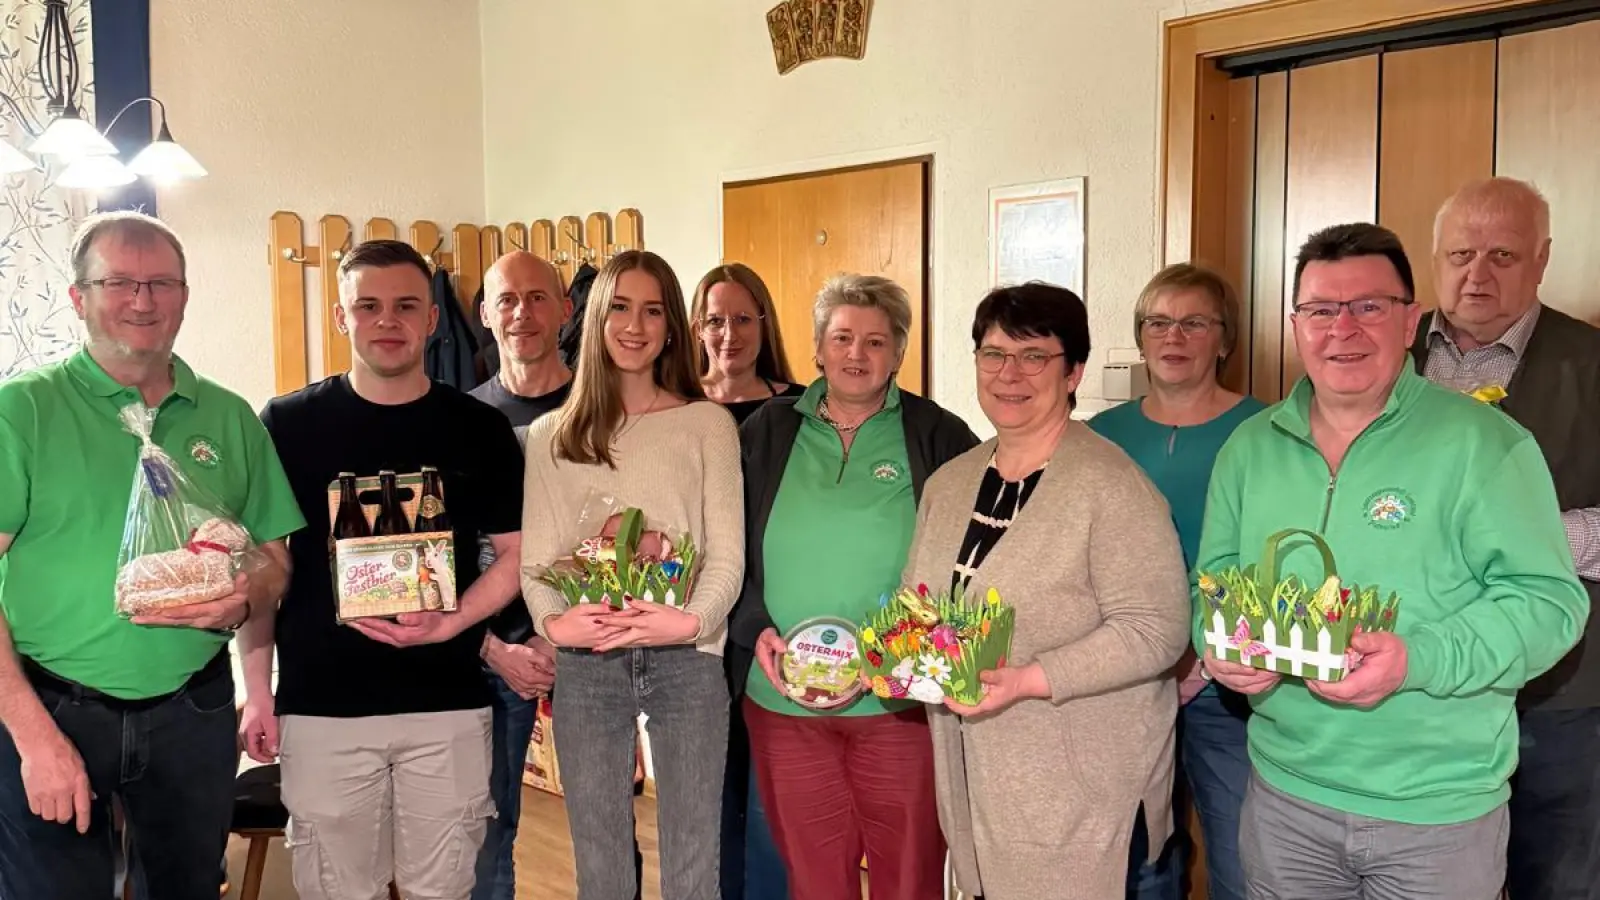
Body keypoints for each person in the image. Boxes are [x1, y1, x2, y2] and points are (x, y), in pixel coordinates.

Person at [1197, 222, 1589, 898]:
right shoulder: (1248, 447)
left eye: (1368, 306)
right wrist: (1216, 642)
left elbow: (1549, 604)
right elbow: (1212, 583)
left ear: (1411, 322)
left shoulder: (1486, 445)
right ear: (1297, 326)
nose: (1342, 328)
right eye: (1321, 309)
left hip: (1438, 814)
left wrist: (1417, 660)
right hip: (1284, 799)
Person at [0, 211, 303, 899]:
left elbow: (273, 562)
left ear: (185, 295)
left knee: (191, 887)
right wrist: (33, 738)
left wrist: (245, 594)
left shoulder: (227, 416)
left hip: (190, 713)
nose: (143, 300)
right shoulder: (23, 411)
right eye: (120, 282)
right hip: (55, 708)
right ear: (79, 298)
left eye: (161, 282)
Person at [244, 239, 526, 900]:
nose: (388, 321)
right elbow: (262, 574)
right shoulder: (287, 423)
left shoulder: (480, 428)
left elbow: (516, 558)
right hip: (322, 708)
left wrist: (448, 623)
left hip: (446, 705)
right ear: (343, 318)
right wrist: (258, 689)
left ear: (433, 319)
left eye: (406, 305)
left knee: (445, 891)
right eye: (368, 306)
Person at [903, 281, 1192, 900]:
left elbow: (1156, 629)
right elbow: (923, 610)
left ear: (1074, 372)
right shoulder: (950, 484)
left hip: (1087, 797)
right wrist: (882, 664)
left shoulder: (1112, 486)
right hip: (980, 788)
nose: (1010, 373)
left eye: (1034, 356)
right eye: (993, 354)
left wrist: (1031, 678)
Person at [735, 274, 978, 900]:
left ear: (898, 353)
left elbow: (978, 556)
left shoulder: (939, 435)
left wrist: (927, 648)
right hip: (785, 699)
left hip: (898, 704)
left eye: (876, 341)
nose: (856, 354)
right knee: (814, 878)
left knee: (910, 876)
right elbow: (726, 546)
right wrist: (753, 624)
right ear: (818, 347)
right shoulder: (766, 430)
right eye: (841, 337)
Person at [519, 250, 744, 900]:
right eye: (619, 306)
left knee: (693, 865)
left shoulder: (707, 425)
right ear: (594, 317)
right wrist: (555, 621)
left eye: (652, 310)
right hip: (588, 665)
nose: (635, 325)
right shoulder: (550, 435)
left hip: (689, 663)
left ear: (672, 325)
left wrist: (693, 620)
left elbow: (726, 556)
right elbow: (538, 566)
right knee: (602, 867)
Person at [1415, 177, 1600, 900]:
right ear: (1435, 257)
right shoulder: (1382, 360)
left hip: (1558, 695)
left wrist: (1532, 539)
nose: (1477, 274)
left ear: (1543, 259)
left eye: (1503, 254)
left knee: (1556, 882)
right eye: (1461, 253)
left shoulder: (1592, 363)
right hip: (1411, 687)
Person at [1090, 263, 1264, 900]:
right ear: (1140, 337)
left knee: (1242, 860)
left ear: (1224, 339)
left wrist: (1198, 654)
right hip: (1127, 686)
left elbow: (1269, 562)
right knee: (1141, 861)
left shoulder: (1267, 431)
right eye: (1158, 322)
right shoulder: (1098, 439)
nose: (1174, 336)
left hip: (1228, 688)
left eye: (1194, 322)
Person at [689, 262, 804, 900]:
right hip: (698, 628)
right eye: (714, 319)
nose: (728, 333)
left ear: (764, 322)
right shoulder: (675, 405)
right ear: (696, 328)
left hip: (774, 623)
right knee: (712, 795)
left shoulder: (801, 407)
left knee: (772, 799)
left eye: (742, 318)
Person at [467, 250, 571, 900]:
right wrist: (493, 648)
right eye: (506, 299)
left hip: (592, 657)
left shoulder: (604, 407)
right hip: (487, 655)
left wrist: (556, 639)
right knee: (485, 829)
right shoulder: (461, 419)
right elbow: (442, 555)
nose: (522, 313)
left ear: (565, 308)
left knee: (604, 828)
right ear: (484, 314)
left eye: (538, 297)